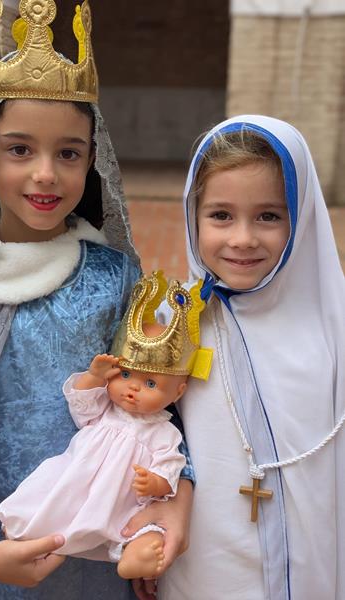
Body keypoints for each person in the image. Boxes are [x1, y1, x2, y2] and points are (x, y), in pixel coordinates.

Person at [0, 2, 193, 599]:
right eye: (20, 149)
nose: (46, 175)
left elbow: (161, 404)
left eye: (69, 153)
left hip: (102, 545)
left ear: (92, 159)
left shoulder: (112, 276)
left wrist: (174, 507)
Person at [132, 115, 344, 600]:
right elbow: (146, 431)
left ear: (302, 218)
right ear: (193, 216)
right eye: (221, 215)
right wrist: (147, 530)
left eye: (268, 216)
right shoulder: (175, 321)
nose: (243, 238)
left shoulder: (332, 329)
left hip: (314, 552)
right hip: (203, 554)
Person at [0, 273, 213, 581]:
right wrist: (94, 376)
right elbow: (81, 405)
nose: (133, 388)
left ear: (178, 393)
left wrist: (155, 483)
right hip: (78, 482)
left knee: (143, 527)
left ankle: (136, 554)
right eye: (124, 374)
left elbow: (171, 467)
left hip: (123, 502)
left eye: (150, 383)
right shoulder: (105, 410)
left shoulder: (165, 433)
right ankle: (26, 528)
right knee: (50, 498)